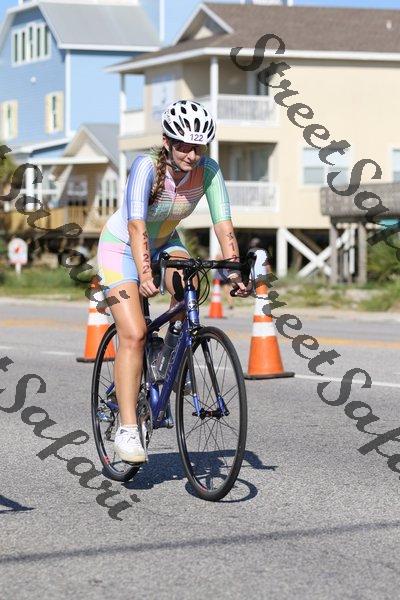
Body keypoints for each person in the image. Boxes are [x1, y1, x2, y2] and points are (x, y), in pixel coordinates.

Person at [97, 100, 250, 464]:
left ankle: (167, 357)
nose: (191, 154)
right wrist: (144, 273)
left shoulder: (208, 171)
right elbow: (136, 225)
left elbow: (223, 223)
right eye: (183, 145)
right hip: (121, 248)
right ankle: (128, 429)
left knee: (188, 286)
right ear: (167, 142)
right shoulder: (146, 167)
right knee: (134, 333)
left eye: (198, 147)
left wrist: (233, 270)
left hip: (166, 241)